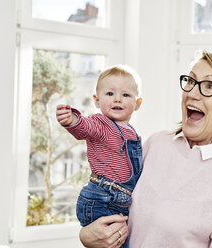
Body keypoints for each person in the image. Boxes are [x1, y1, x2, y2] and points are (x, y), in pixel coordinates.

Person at [79, 51, 212, 248]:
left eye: (209, 86)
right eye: (191, 81)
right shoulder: (157, 143)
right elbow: (111, 205)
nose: (192, 93)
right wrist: (87, 236)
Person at [56, 65, 143, 248]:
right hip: (101, 198)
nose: (117, 99)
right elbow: (85, 127)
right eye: (110, 94)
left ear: (137, 103)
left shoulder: (132, 133)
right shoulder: (102, 124)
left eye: (126, 95)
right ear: (96, 100)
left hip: (118, 201)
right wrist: (72, 120)